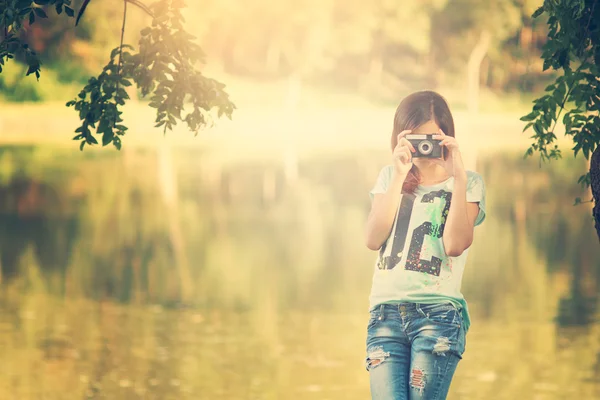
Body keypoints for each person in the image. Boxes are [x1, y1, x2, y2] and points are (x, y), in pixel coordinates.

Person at [364, 90, 486, 400]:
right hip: (385, 316)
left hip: (438, 315)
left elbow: (456, 244)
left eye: (430, 138)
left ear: (447, 137)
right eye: (415, 140)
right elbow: (373, 238)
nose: (424, 147)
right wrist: (400, 173)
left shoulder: (468, 182)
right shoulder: (390, 177)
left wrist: (457, 176)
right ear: (400, 137)